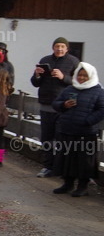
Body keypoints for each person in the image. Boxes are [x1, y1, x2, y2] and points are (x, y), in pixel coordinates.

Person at [51, 62, 104, 197]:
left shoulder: (98, 91)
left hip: (86, 132)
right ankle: (67, 184)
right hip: (67, 130)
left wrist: (88, 121)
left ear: (91, 76)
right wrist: (64, 104)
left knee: (83, 161)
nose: (81, 78)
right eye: (79, 75)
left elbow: (102, 109)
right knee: (67, 158)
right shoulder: (70, 89)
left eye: (85, 76)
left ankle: (82, 186)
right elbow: (55, 103)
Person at [31, 37, 81, 178]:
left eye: (62, 47)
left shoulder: (73, 61)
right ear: (53, 47)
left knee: (61, 138)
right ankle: (48, 166)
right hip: (46, 104)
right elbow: (35, 83)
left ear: (67, 48)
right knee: (47, 138)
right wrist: (37, 75)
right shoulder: (45, 59)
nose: (59, 49)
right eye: (57, 46)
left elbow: (78, 82)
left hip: (63, 106)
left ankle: (60, 168)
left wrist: (63, 77)